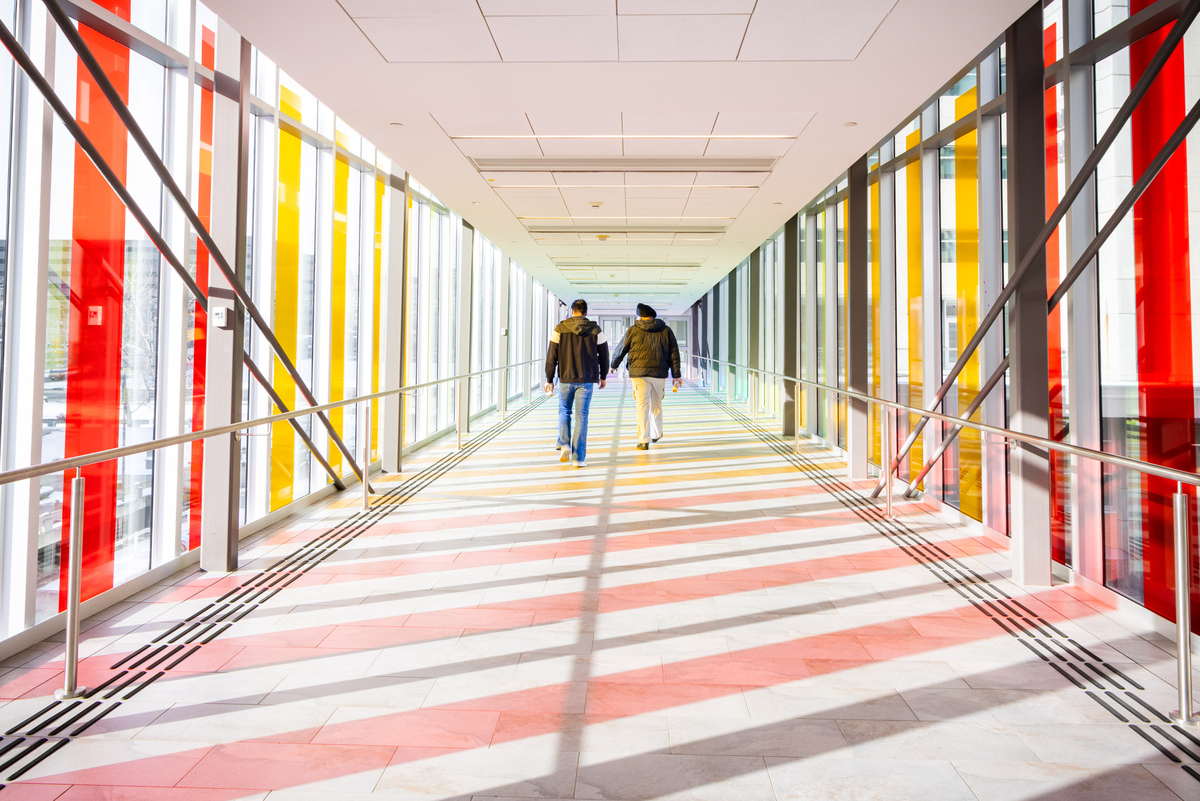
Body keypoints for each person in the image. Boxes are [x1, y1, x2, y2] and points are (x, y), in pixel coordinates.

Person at [544, 299, 609, 467]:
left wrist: (549, 379)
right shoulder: (596, 329)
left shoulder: (559, 328)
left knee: (564, 411)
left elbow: (551, 356)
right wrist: (603, 376)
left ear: (572, 312)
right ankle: (579, 458)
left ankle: (564, 443)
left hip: (566, 378)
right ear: (586, 313)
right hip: (586, 380)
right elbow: (604, 354)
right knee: (582, 416)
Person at [609, 303, 682, 450]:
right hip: (659, 374)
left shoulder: (633, 330)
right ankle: (656, 434)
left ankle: (643, 441)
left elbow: (621, 348)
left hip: (639, 373)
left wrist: (614, 364)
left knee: (642, 406)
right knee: (656, 404)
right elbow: (674, 353)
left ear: (641, 317)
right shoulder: (666, 330)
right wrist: (676, 375)